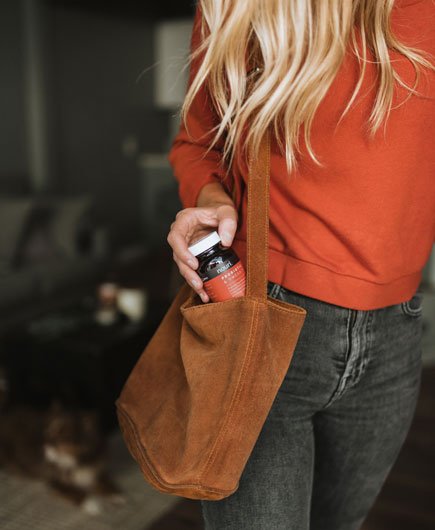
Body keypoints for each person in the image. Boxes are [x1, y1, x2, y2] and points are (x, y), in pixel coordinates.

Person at [166, 1, 435, 529]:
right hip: (262, 316)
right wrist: (211, 198)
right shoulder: (237, 5)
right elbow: (198, 142)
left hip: (396, 332)